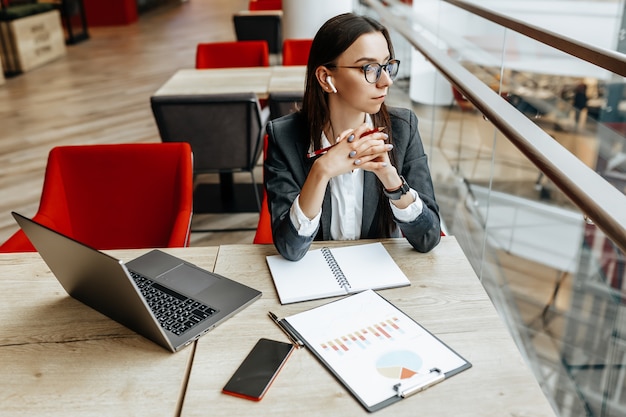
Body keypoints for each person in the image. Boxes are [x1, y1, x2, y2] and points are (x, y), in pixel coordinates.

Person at [264, 12, 441, 261]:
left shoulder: (402, 128)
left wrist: (393, 182)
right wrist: (321, 172)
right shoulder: (284, 136)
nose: (386, 81)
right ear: (326, 78)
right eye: (369, 68)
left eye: (387, 66)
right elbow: (291, 249)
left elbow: (428, 238)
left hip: (382, 282)